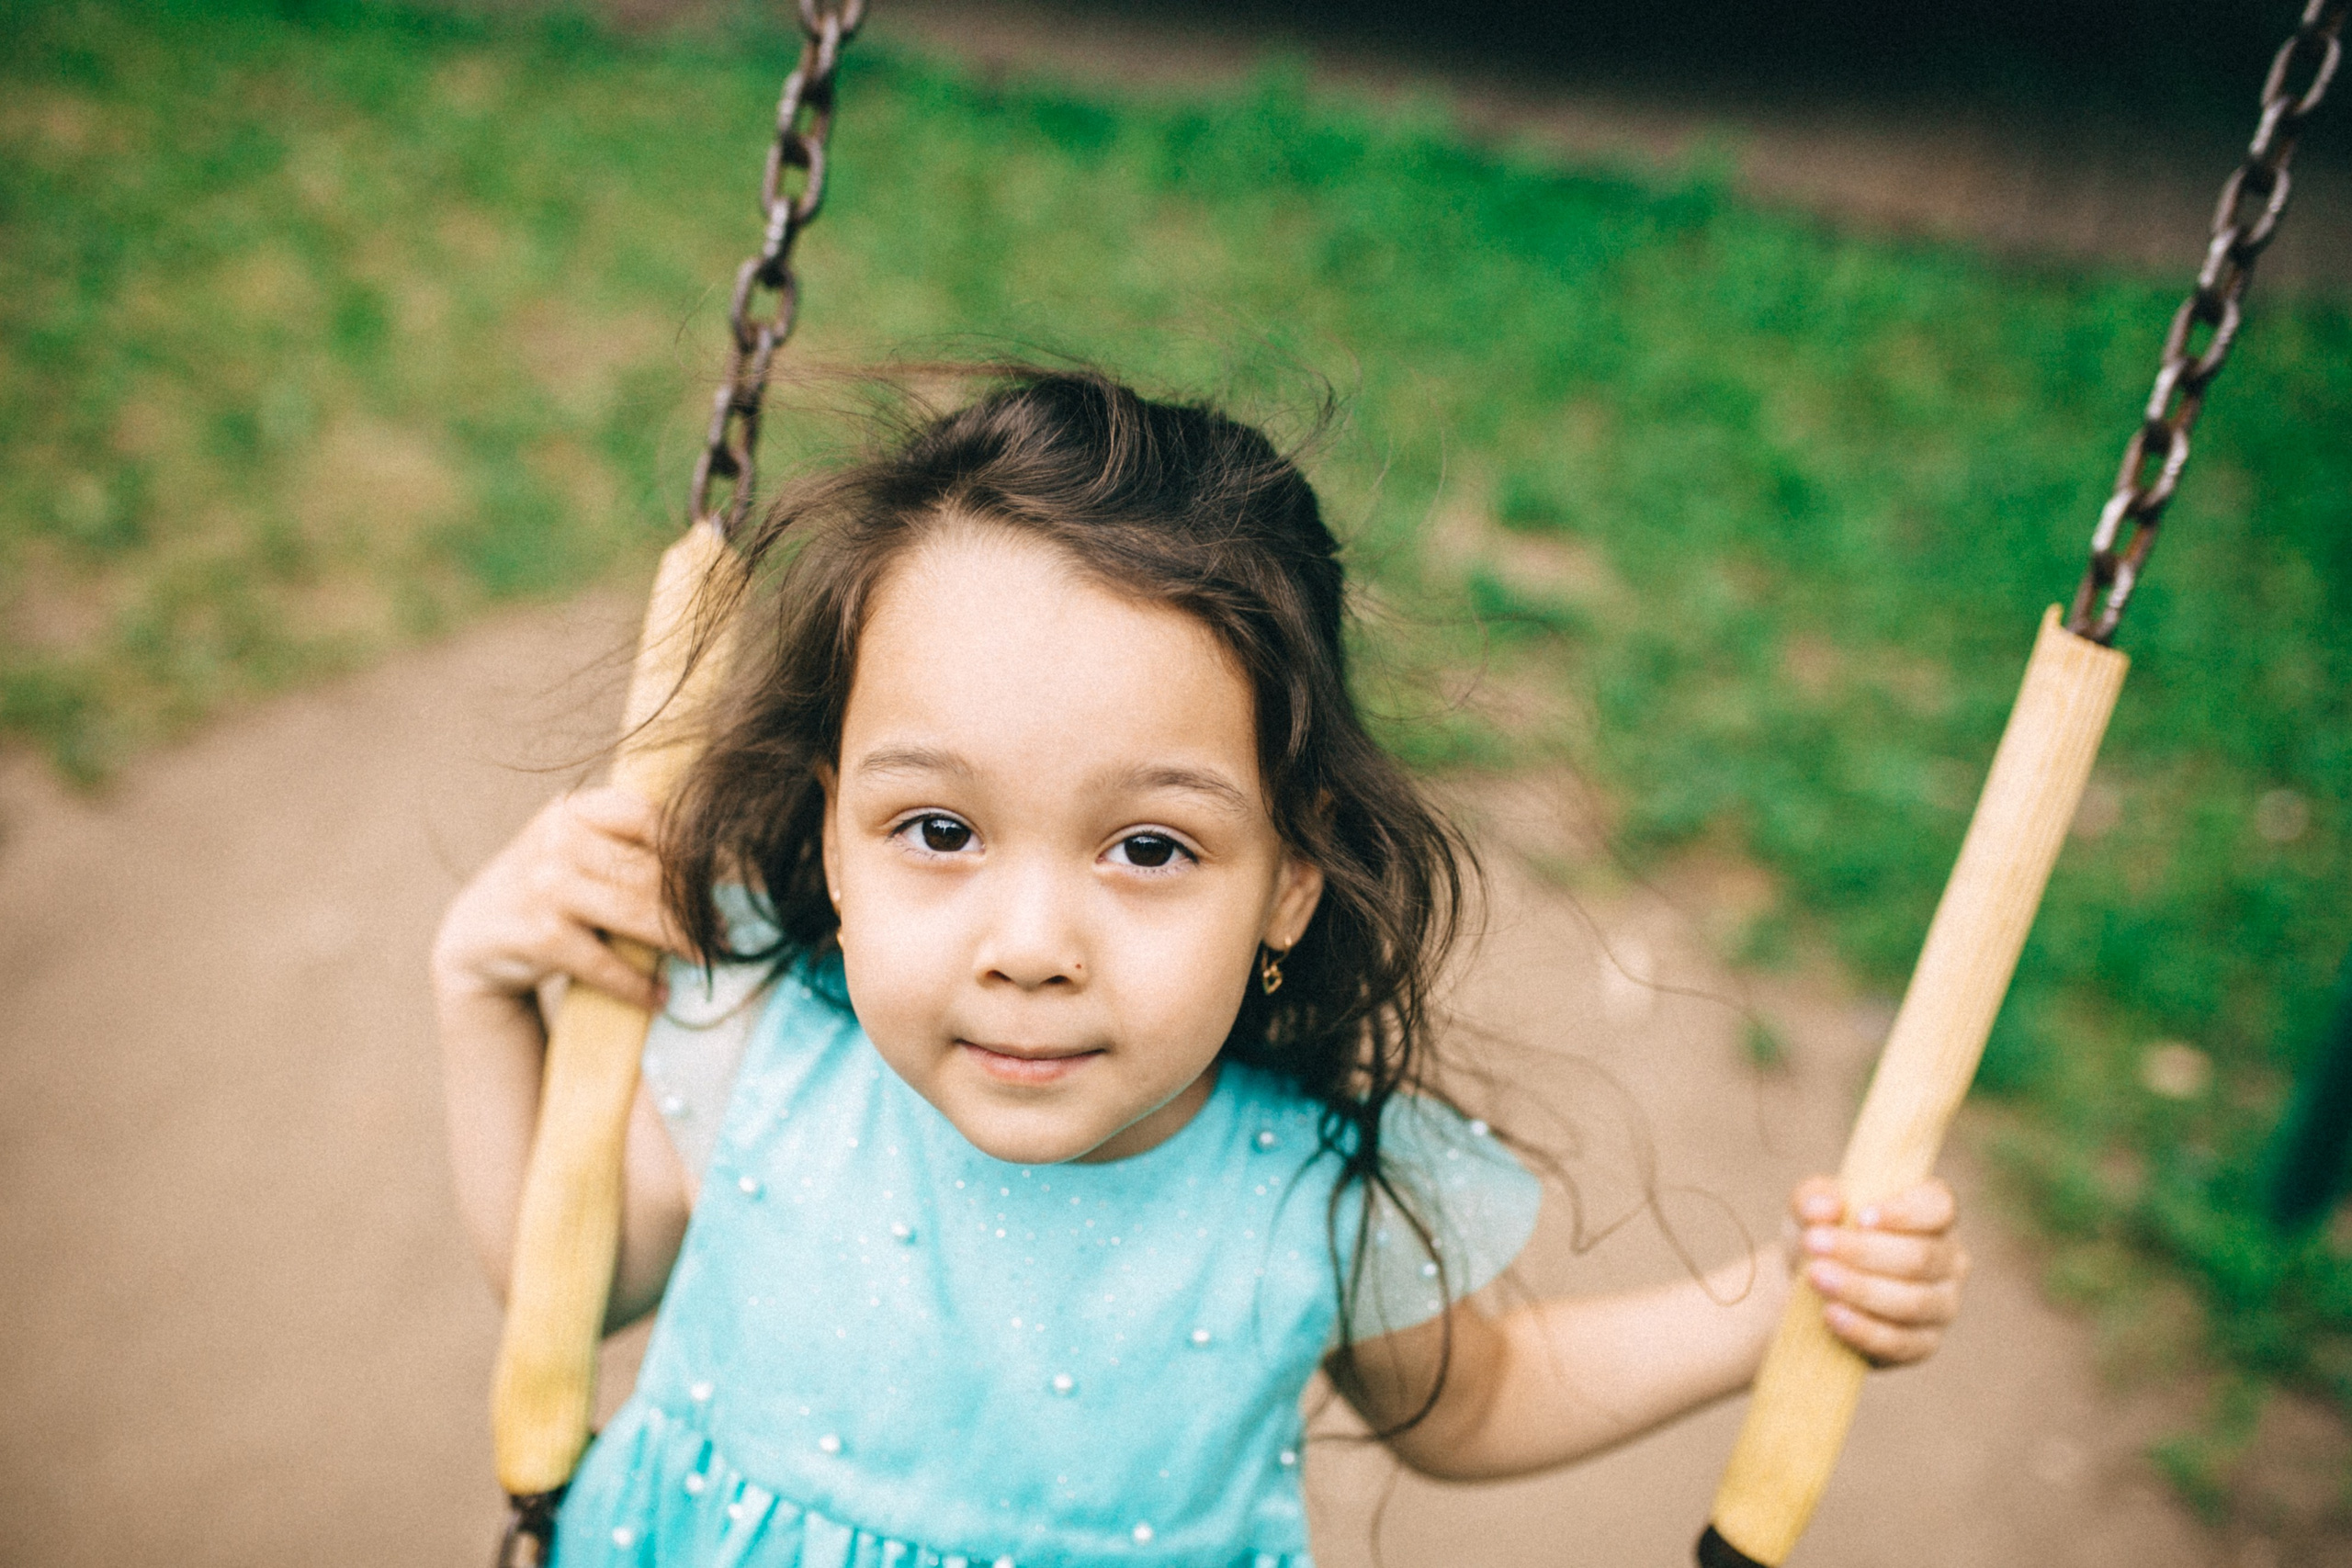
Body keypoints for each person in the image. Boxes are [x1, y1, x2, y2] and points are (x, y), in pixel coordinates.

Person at [435, 373, 1968, 1566]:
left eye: (1150, 850)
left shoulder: (1304, 1187)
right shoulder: (768, 1045)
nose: (1030, 950)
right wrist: (478, 995)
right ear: (830, 832)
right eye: (940, 827)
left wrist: (1785, 1299)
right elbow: (566, 1287)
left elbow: (1483, 1399)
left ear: (1291, 876)